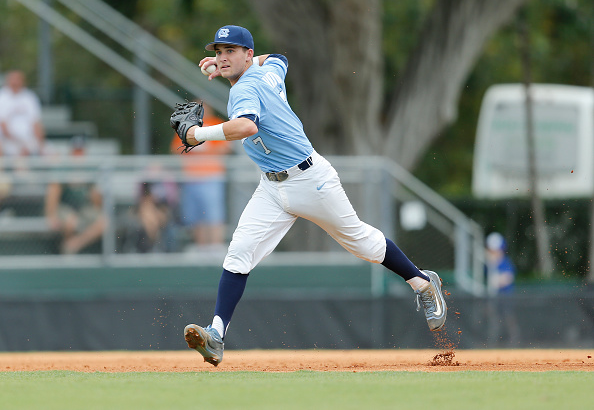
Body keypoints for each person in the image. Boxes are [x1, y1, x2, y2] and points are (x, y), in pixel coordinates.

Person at [176, 25, 447, 367]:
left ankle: (423, 283)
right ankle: (215, 335)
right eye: (218, 52)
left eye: (231, 51)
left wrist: (198, 133)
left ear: (247, 54)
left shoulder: (244, 89)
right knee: (239, 253)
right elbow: (279, 58)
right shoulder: (267, 71)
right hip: (272, 188)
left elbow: (246, 126)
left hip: (311, 181)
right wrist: (239, 63)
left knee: (363, 244)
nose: (222, 57)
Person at [170, 104, 231, 251]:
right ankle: (201, 247)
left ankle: (216, 246)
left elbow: (226, 148)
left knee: (214, 214)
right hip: (191, 178)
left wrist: (205, 148)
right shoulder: (185, 125)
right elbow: (175, 149)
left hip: (211, 177)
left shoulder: (216, 123)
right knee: (196, 216)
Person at [44, 136, 106, 254]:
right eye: (76, 150)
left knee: (104, 222)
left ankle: (74, 244)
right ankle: (67, 254)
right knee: (71, 222)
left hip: (83, 208)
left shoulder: (90, 169)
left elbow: (96, 200)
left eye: (81, 151)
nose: (78, 154)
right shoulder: (63, 168)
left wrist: (96, 192)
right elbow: (54, 191)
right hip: (64, 207)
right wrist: (51, 215)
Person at [485, 232, 520, 346]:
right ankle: (493, 341)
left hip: (505, 296)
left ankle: (513, 340)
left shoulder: (505, 262)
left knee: (508, 318)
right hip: (493, 297)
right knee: (493, 319)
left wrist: (496, 280)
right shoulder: (488, 264)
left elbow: (508, 277)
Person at [0, 70, 45, 157]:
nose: (15, 82)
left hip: (28, 139)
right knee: (19, 157)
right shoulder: (2, 97)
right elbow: (3, 126)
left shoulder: (30, 97)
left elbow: (36, 123)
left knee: (52, 155)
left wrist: (40, 144)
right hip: (7, 140)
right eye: (13, 79)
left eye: (18, 79)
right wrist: (20, 144)